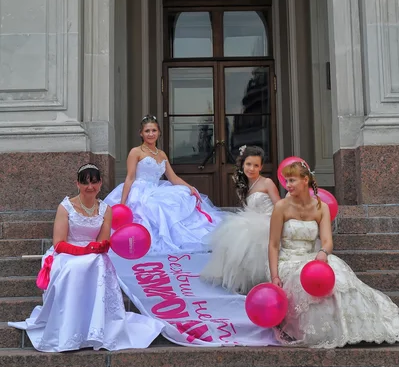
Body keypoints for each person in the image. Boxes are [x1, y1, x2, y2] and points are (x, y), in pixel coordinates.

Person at [8, 163, 164, 352]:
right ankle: (71, 328)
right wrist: (83, 251)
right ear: (77, 184)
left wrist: (97, 247)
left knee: (98, 262)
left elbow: (103, 240)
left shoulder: (106, 209)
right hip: (66, 253)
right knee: (73, 268)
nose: (90, 187)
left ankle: (96, 329)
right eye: (85, 182)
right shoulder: (66, 207)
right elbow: (59, 242)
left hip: (93, 254)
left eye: (94, 182)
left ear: (100, 183)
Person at [268, 160, 399, 348]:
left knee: (337, 272)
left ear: (305, 180)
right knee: (301, 279)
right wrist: (274, 276)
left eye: (292, 180)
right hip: (287, 260)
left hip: (312, 256)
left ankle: (354, 328)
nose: (287, 185)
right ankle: (322, 332)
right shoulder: (281, 207)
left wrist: (322, 252)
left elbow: (328, 241)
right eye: (286, 181)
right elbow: (273, 245)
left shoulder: (321, 207)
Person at [105, 115, 223, 253]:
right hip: (139, 190)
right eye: (147, 131)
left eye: (154, 130)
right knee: (155, 207)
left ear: (159, 132)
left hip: (156, 188)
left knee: (184, 194)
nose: (151, 134)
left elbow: (172, 177)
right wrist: (123, 203)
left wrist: (190, 187)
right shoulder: (135, 152)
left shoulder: (161, 154)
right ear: (141, 133)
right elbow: (130, 177)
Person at [201, 145, 280, 294]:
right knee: (234, 234)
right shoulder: (244, 184)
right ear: (243, 164)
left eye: (256, 165)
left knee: (245, 237)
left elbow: (279, 206)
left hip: (268, 221)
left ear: (261, 167)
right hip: (251, 221)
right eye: (248, 164)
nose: (251, 168)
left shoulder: (267, 183)